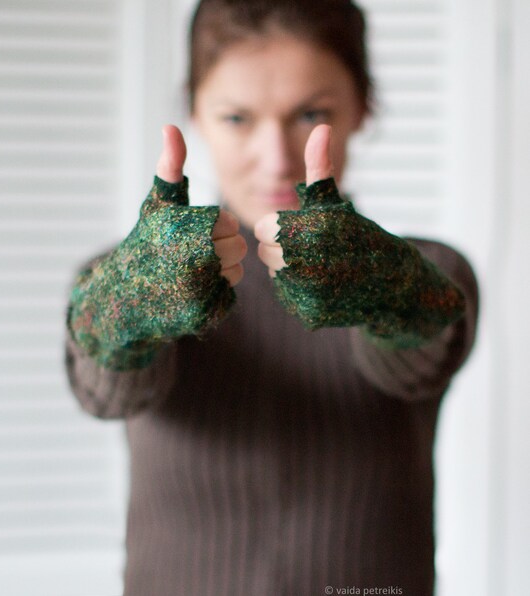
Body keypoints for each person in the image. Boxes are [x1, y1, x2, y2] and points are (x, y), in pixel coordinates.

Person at [64, 0, 479, 594]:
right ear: (195, 114)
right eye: (236, 118)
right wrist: (128, 301)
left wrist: (384, 286)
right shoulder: (120, 276)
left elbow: (415, 356)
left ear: (364, 107)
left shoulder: (431, 273)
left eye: (311, 113)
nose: (278, 157)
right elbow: (109, 392)